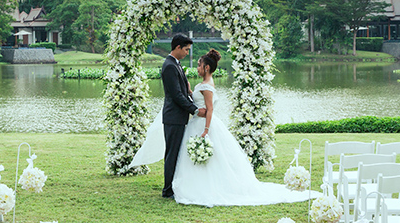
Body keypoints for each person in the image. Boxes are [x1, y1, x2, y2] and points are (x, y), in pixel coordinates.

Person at [131, 48, 312, 207]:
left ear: (206, 68)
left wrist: (206, 130)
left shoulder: (207, 86)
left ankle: (202, 186)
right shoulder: (203, 84)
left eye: (199, 65)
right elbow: (199, 101)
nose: (197, 68)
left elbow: (209, 110)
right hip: (195, 123)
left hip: (202, 125)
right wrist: (190, 92)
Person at [157, 33, 205, 199]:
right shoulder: (169, 66)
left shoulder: (175, 64)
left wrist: (189, 91)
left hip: (178, 117)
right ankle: (168, 190)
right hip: (173, 117)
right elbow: (176, 95)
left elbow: (181, 91)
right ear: (177, 47)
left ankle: (173, 186)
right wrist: (195, 110)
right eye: (186, 49)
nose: (187, 53)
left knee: (176, 153)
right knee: (172, 153)